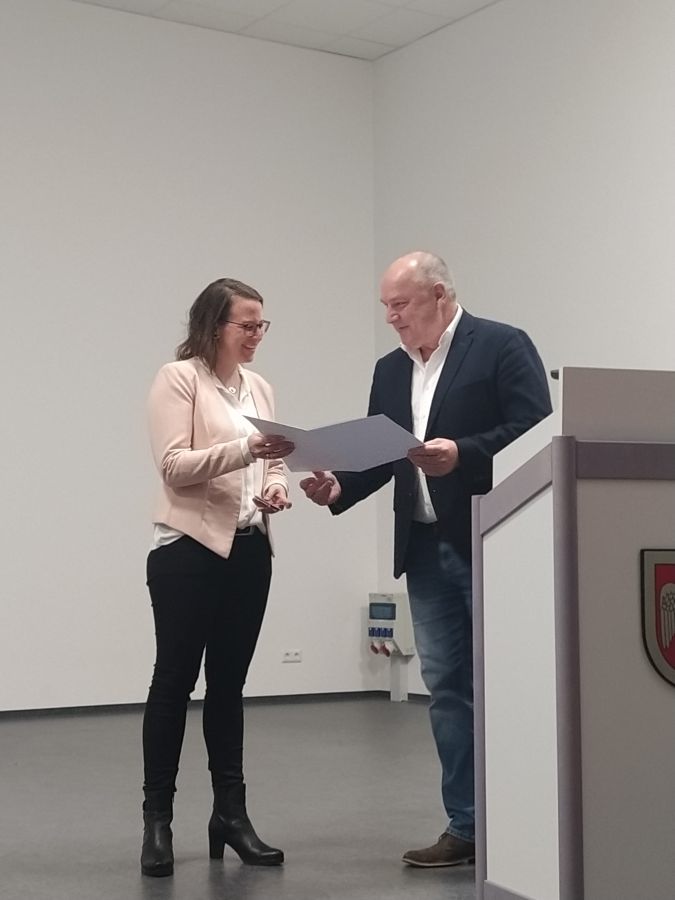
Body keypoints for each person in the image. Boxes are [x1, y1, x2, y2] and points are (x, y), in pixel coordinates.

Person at [300, 252, 552, 868]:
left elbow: (538, 431)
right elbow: (382, 453)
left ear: (439, 295)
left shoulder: (501, 345)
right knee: (447, 690)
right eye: (385, 306)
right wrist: (337, 487)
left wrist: (462, 452)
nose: (391, 317)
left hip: (496, 539)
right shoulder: (390, 370)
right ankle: (466, 827)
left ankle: (531, 821)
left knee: (515, 681)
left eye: (400, 304)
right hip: (425, 547)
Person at [141, 277, 294, 877]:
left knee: (229, 687)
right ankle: (157, 822)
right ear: (214, 325)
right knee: (173, 684)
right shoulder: (178, 379)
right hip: (188, 550)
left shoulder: (260, 387)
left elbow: (274, 460)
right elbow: (174, 466)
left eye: (262, 325)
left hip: (250, 549)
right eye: (246, 325)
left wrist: (276, 485)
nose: (257, 335)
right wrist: (248, 452)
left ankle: (230, 816)